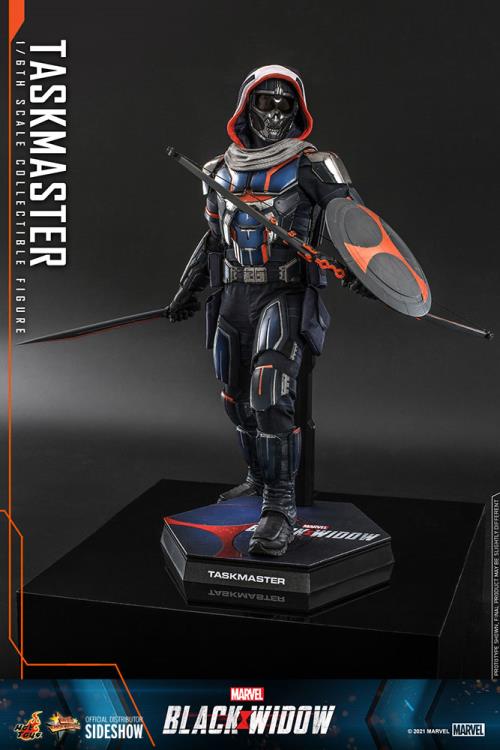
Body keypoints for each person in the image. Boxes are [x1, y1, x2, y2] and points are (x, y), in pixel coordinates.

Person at [167, 64, 366, 556]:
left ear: (298, 110)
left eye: (285, 102)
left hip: (285, 293)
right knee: (234, 398)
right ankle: (257, 478)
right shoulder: (218, 170)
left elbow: (356, 226)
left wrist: (364, 271)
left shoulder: (315, 166)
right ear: (246, 106)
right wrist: (187, 289)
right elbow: (215, 240)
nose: (275, 111)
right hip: (235, 294)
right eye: (265, 100)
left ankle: (280, 506)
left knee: (269, 393)